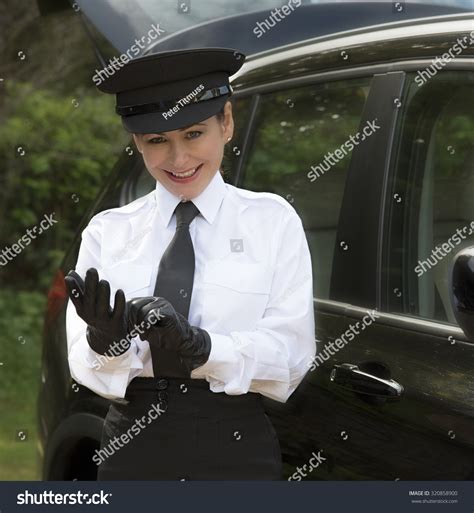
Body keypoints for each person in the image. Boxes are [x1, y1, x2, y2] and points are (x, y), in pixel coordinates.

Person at [65, 47, 316, 480]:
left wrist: (202, 346)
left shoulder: (272, 222)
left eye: (194, 134)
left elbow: (290, 358)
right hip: (132, 449)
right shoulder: (108, 232)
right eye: (158, 141)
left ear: (227, 123)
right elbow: (84, 365)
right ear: (137, 143)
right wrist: (107, 343)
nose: (179, 160)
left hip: (236, 448)